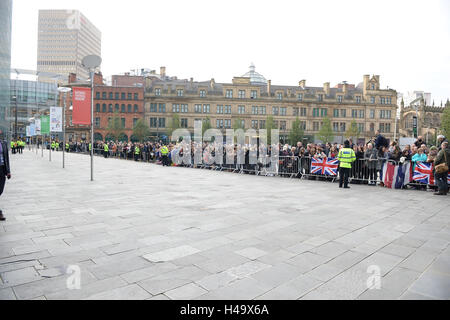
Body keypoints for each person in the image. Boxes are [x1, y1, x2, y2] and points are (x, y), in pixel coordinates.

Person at [0, 130, 12, 221]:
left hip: (2, 169)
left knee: (0, 190)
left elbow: (6, 159)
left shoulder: (3, 144)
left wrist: (8, 171)